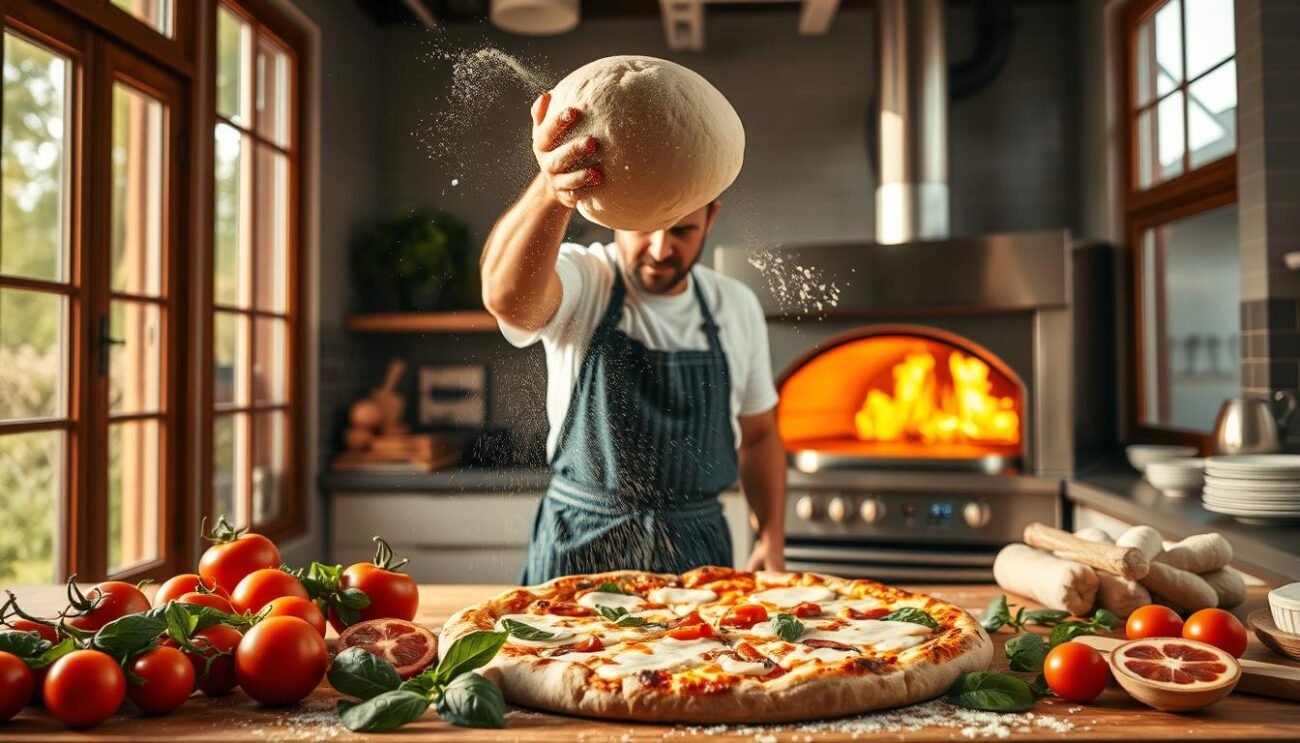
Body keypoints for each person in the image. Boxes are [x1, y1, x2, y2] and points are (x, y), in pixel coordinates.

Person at [480, 92, 787, 584]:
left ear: (711, 219)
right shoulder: (588, 278)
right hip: (580, 542)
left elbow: (760, 435)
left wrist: (770, 534)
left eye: (683, 231)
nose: (662, 248)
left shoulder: (735, 306)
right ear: (618, 213)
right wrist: (551, 186)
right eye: (648, 228)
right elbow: (507, 298)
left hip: (698, 550)